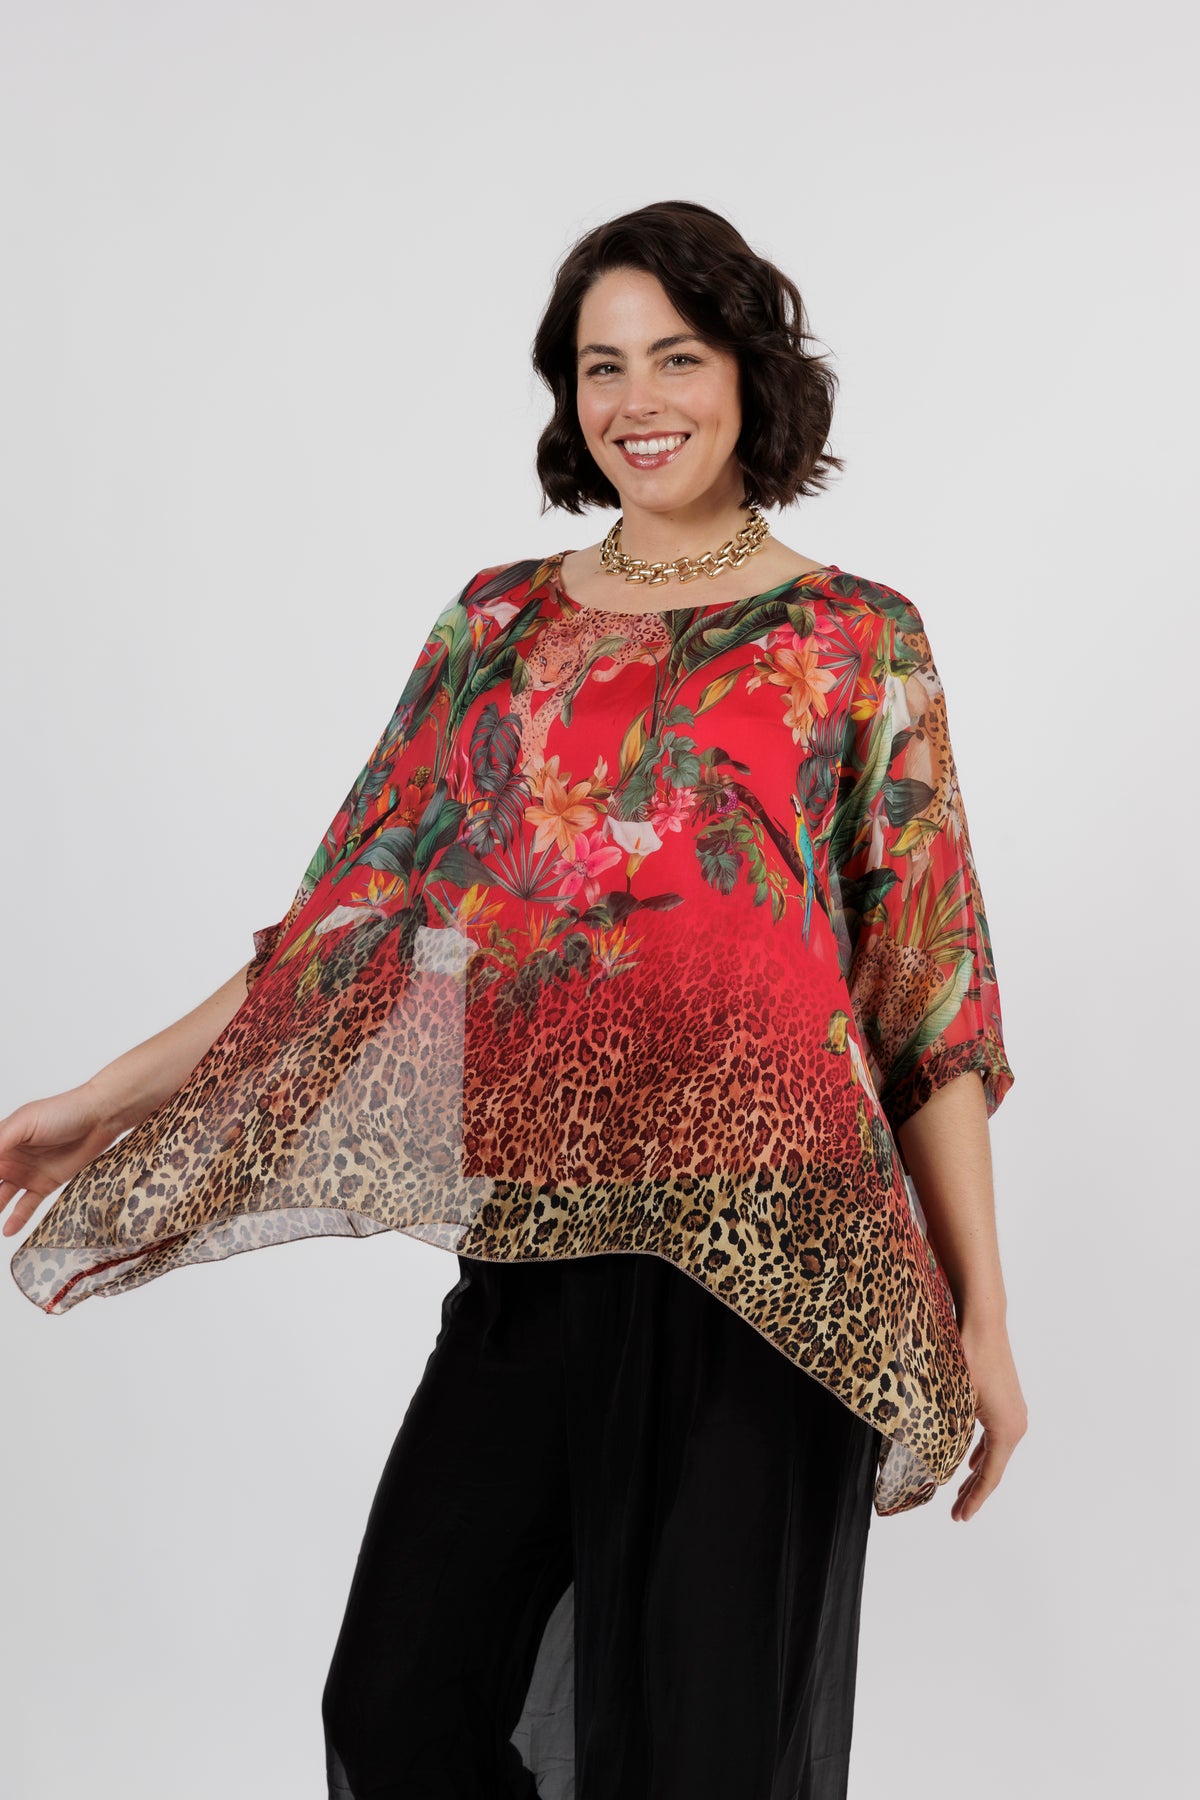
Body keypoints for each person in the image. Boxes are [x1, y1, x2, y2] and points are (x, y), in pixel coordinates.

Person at [1, 199, 1027, 1797]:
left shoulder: (856, 637)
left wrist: (986, 1315)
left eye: (676, 357)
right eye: (600, 366)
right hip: (536, 1251)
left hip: (783, 1264)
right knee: (397, 1701)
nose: (638, 401)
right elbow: (346, 927)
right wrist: (96, 1105)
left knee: (702, 1753)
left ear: (749, 372)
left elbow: (928, 998)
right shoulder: (496, 624)